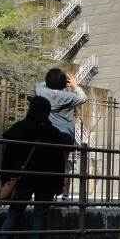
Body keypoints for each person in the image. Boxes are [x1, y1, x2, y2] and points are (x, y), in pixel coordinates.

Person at [0, 96, 72, 239]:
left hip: (22, 179)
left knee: (14, 212)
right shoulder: (49, 131)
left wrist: (6, 177)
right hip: (46, 180)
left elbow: (8, 151)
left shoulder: (19, 128)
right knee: (41, 214)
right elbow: (67, 141)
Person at [35, 68, 87, 202]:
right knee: (64, 166)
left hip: (47, 134)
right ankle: (64, 196)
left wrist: (52, 81)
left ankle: (47, 195)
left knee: (46, 165)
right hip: (65, 136)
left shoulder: (42, 91)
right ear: (64, 83)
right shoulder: (68, 97)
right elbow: (83, 98)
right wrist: (75, 86)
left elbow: (40, 84)